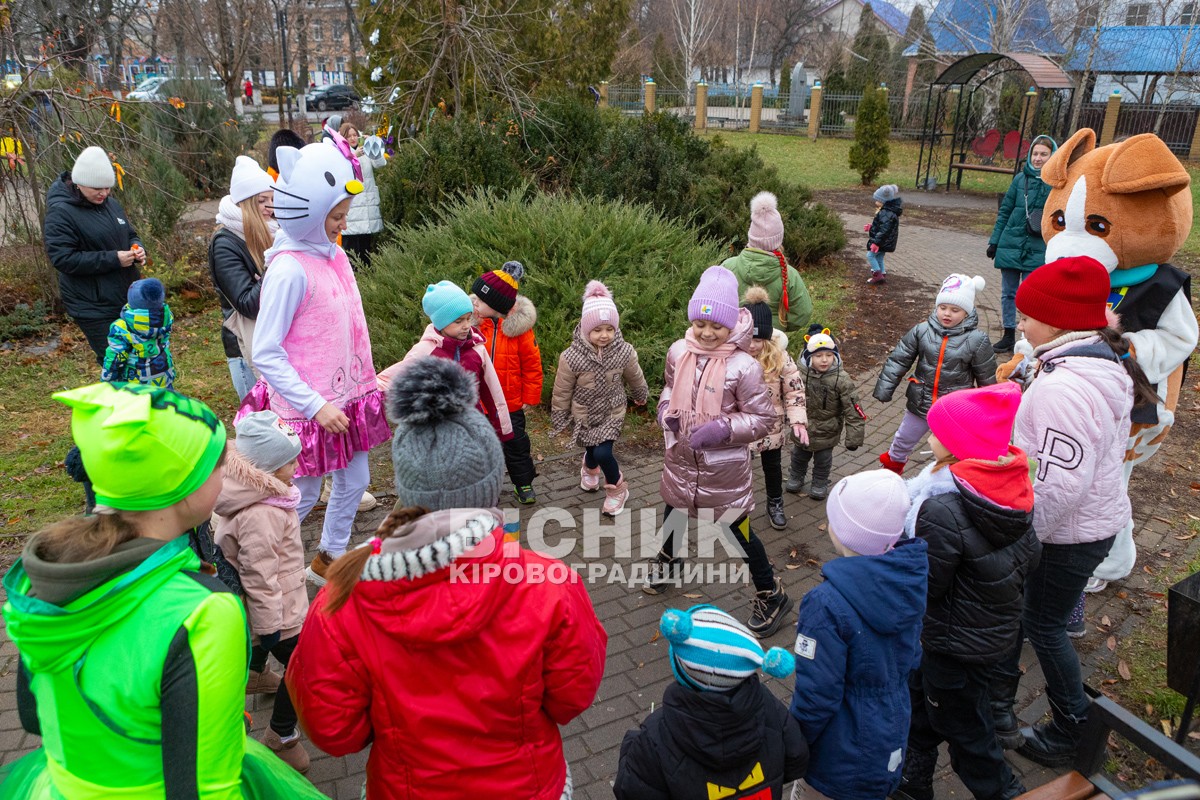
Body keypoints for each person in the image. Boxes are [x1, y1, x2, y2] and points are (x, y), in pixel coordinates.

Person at [286, 357, 607, 800]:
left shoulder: (342, 599)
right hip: (527, 786)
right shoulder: (550, 584)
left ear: (406, 486)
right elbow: (571, 698)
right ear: (491, 484)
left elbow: (334, 731)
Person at [0, 382, 326, 799]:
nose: (228, 473)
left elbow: (32, 717)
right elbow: (203, 788)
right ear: (184, 487)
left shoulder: (42, 573)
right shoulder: (203, 611)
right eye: (218, 466)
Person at [990, 255, 1158, 768]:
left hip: (1069, 534)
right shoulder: (1093, 361)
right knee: (1032, 617)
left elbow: (1060, 485)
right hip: (1091, 523)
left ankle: (1074, 727)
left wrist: (1023, 538)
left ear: (1058, 320)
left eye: (1028, 314)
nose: (1020, 322)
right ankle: (1000, 698)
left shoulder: (1062, 387)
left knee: (1044, 625)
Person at [240, 134, 391, 588]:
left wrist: (364, 377)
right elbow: (265, 351)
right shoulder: (288, 269)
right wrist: (314, 406)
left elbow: (345, 324)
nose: (342, 225)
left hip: (346, 397)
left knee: (354, 477)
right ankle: (252, 559)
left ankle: (329, 559)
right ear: (306, 210)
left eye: (344, 216)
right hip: (309, 407)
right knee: (300, 493)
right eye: (336, 216)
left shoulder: (337, 255)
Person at [893, 383, 1038, 800]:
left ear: (958, 444)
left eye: (937, 433)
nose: (929, 437)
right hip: (980, 631)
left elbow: (928, 584)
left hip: (953, 643)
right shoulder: (1010, 489)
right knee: (919, 704)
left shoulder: (941, 509)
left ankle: (1003, 790)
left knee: (967, 732)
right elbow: (1032, 555)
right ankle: (913, 779)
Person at [645, 265, 792, 638]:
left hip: (722, 469)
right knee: (673, 512)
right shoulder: (679, 352)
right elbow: (666, 389)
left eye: (717, 327)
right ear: (692, 320)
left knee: (735, 531)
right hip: (680, 459)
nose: (707, 333)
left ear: (732, 326)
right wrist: (666, 412)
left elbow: (762, 420)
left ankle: (770, 593)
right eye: (700, 324)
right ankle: (668, 560)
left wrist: (723, 427)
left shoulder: (743, 366)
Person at [789, 470, 927, 800]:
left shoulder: (825, 604)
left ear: (844, 533)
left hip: (837, 757)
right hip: (888, 738)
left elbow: (817, 695)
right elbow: (913, 657)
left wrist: (792, 747)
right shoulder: (908, 581)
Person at [613, 605, 807, 800]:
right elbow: (797, 757)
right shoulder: (768, 705)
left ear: (682, 671)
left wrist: (631, 746)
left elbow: (631, 790)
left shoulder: (655, 736)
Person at [213, 410, 311, 773]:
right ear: (266, 469)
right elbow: (259, 574)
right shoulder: (261, 513)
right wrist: (271, 626)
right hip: (275, 609)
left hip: (270, 601)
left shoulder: (259, 495)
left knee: (264, 644)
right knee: (304, 663)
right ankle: (281, 737)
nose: (298, 466)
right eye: (289, 462)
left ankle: (255, 673)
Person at [874, 274, 997, 475]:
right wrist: (885, 387)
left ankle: (947, 481)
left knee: (950, 450)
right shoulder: (922, 330)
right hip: (919, 401)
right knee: (902, 440)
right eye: (943, 308)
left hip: (952, 408)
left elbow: (987, 377)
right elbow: (899, 358)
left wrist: (990, 409)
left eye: (955, 310)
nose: (947, 313)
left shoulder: (977, 340)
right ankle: (890, 473)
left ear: (967, 312)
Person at [550, 280, 649, 517]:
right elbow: (562, 389)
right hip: (584, 414)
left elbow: (635, 376)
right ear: (586, 329)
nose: (604, 335)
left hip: (612, 412)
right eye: (597, 330)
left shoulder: (624, 351)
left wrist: (640, 394)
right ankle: (589, 465)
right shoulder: (571, 356)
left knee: (604, 452)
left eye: (609, 329)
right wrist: (560, 415)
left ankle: (617, 490)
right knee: (592, 450)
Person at [377, 280, 514, 442]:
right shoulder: (425, 352)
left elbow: (493, 391)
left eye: (468, 319)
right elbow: (389, 380)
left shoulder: (477, 349)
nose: (466, 326)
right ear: (441, 322)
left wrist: (503, 429)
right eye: (458, 321)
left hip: (473, 430)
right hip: (436, 435)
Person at [44, 146, 145, 363]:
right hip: (92, 304)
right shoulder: (61, 212)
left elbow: (129, 233)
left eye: (108, 188)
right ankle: (119, 397)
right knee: (118, 362)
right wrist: (114, 259)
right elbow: (62, 259)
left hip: (125, 297)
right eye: (97, 189)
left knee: (140, 357)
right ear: (79, 183)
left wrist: (136, 247)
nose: (104, 193)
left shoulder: (111, 205)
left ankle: (143, 396)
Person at [473, 262, 545, 505]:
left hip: (510, 401)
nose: (475, 304)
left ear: (496, 305)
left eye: (480, 301)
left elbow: (532, 365)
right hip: (480, 403)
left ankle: (523, 482)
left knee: (516, 444)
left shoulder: (519, 332)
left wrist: (530, 398)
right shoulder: (471, 326)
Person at [209, 155, 276, 399]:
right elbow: (248, 304)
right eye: (262, 201)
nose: (270, 207)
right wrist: (273, 265)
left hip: (273, 343)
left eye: (272, 199)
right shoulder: (225, 244)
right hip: (245, 348)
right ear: (245, 203)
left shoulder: (269, 231)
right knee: (260, 427)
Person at [986, 135, 1058, 353]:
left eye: (1043, 154)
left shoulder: (1057, 182)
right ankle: (1008, 334)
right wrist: (995, 241)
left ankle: (1027, 337)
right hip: (1011, 242)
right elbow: (1005, 211)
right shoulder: (1020, 179)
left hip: (1038, 247)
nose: (1038, 158)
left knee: (1029, 295)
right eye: (1035, 154)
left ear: (1052, 156)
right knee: (1008, 292)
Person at [742, 287, 806, 530]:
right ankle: (738, 506)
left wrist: (798, 419)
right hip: (741, 428)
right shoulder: (731, 357)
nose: (752, 345)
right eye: (748, 338)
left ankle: (775, 502)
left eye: (758, 339)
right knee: (738, 470)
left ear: (767, 338)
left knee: (773, 467)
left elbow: (795, 390)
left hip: (771, 427)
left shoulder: (780, 358)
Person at [786, 326, 865, 500]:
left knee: (823, 460)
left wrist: (854, 437)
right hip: (803, 428)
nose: (824, 360)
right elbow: (787, 396)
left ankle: (820, 481)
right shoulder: (798, 375)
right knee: (799, 456)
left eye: (829, 355)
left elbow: (853, 409)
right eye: (818, 356)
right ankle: (796, 476)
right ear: (809, 357)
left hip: (828, 431)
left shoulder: (841, 379)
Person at [722, 191, 813, 332]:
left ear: (751, 236)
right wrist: (778, 325)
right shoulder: (790, 275)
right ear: (779, 239)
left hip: (733, 339)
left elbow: (716, 304)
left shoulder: (728, 267)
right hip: (772, 343)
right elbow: (803, 313)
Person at [101, 277, 175, 389]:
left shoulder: (122, 327)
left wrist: (107, 380)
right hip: (163, 375)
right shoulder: (166, 318)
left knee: (141, 406)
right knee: (164, 403)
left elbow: (116, 357)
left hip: (136, 384)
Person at [337, 122, 387, 267]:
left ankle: (367, 280)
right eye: (349, 136)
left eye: (355, 135)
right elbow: (341, 170)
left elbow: (380, 163)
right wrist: (353, 156)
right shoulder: (340, 153)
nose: (353, 139)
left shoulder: (364, 151)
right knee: (351, 249)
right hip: (352, 208)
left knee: (366, 249)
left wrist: (373, 144)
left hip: (366, 207)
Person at [865, 184, 903, 284]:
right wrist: (871, 227)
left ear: (883, 200)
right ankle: (882, 273)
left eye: (877, 199)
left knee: (870, 255)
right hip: (885, 241)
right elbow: (882, 226)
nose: (875, 201)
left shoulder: (885, 212)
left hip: (881, 241)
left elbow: (884, 230)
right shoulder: (888, 211)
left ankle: (877, 275)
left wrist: (876, 243)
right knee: (879, 257)